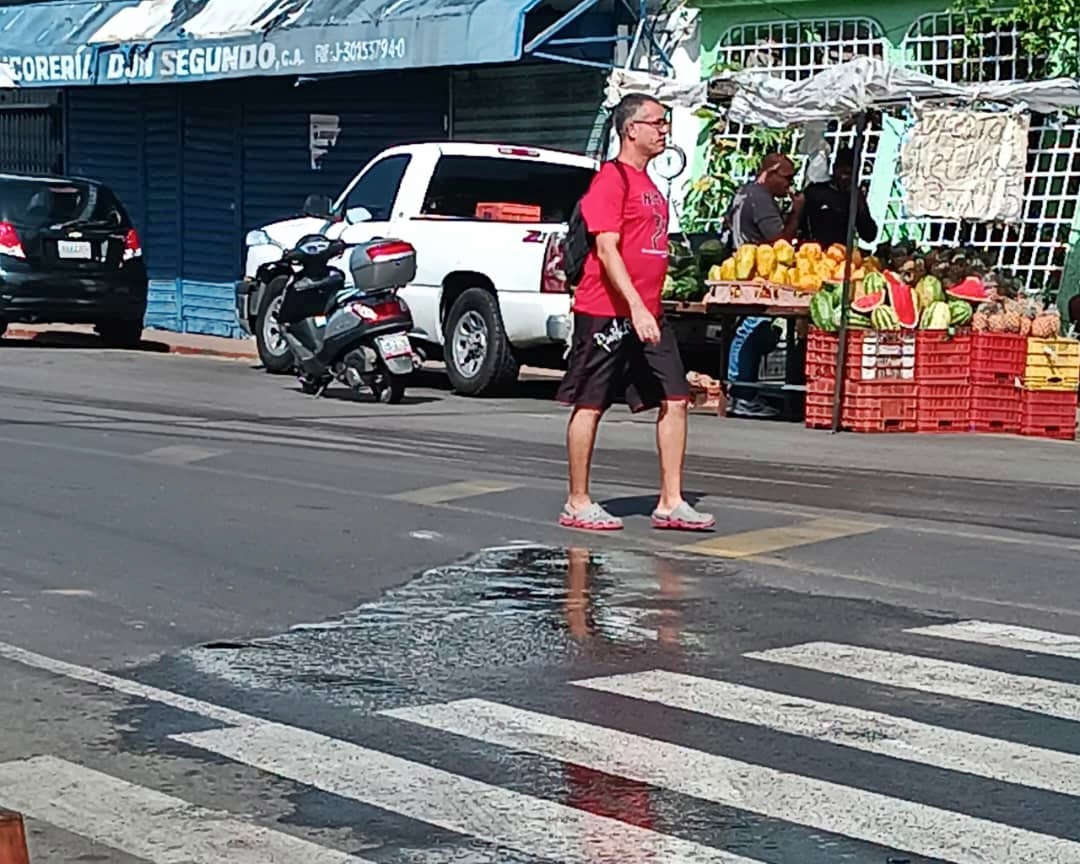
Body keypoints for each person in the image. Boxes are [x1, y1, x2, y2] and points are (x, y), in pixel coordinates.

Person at [556, 93, 714, 533]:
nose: (664, 130)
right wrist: (636, 308)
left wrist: (648, 309)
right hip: (606, 311)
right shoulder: (611, 180)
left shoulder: (649, 184)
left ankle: (671, 501)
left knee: (677, 398)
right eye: (656, 122)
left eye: (665, 123)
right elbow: (606, 251)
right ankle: (578, 501)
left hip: (649, 312)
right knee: (590, 403)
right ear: (631, 130)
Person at [722, 153, 804, 419]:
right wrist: (796, 212)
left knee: (752, 330)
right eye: (788, 178)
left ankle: (743, 392)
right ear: (771, 172)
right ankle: (742, 395)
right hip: (756, 275)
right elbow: (780, 243)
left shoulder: (744, 193)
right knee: (752, 328)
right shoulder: (761, 199)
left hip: (738, 269)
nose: (790, 186)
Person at [799, 147, 878, 249]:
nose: (845, 178)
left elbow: (869, 235)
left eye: (850, 174)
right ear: (835, 168)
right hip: (813, 251)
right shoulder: (816, 191)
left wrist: (860, 204)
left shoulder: (853, 197)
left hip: (840, 254)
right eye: (843, 172)